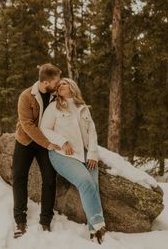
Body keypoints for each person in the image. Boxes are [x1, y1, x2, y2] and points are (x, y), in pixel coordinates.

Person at [40, 78, 106, 244]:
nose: (60, 86)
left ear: (72, 86)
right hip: (62, 154)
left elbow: (92, 131)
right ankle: (99, 225)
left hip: (84, 153)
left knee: (93, 185)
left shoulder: (82, 107)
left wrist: (92, 153)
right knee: (85, 181)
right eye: (59, 84)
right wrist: (62, 141)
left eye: (64, 83)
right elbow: (44, 128)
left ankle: (93, 231)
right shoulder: (54, 106)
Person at [12, 63, 62, 238]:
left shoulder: (55, 96)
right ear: (46, 82)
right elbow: (27, 125)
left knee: (49, 179)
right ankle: (20, 220)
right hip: (25, 140)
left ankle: (46, 220)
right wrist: (47, 144)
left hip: (46, 142)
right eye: (56, 81)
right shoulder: (26, 96)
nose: (59, 84)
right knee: (19, 177)